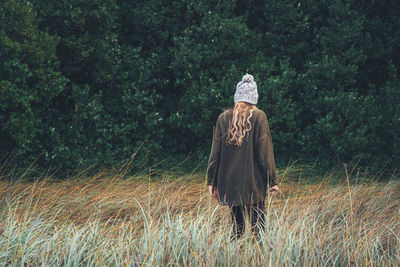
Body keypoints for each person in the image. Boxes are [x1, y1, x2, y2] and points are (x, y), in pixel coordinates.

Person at [205, 73, 279, 241]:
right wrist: (272, 180)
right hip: (254, 183)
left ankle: (234, 258)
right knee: (258, 231)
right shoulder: (259, 116)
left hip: (230, 182)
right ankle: (256, 259)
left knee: (236, 231)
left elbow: (215, 153)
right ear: (254, 97)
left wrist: (212, 181)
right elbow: (265, 151)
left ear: (237, 96)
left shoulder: (223, 118)